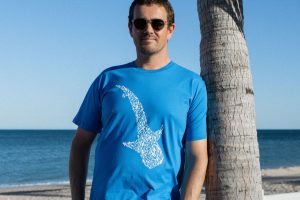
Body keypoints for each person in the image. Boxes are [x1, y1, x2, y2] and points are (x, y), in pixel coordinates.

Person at [69, 0, 208, 199]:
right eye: (141, 23)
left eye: (157, 24)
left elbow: (197, 155)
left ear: (170, 30)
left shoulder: (192, 85)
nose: (148, 29)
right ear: (130, 28)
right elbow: (80, 144)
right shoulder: (107, 79)